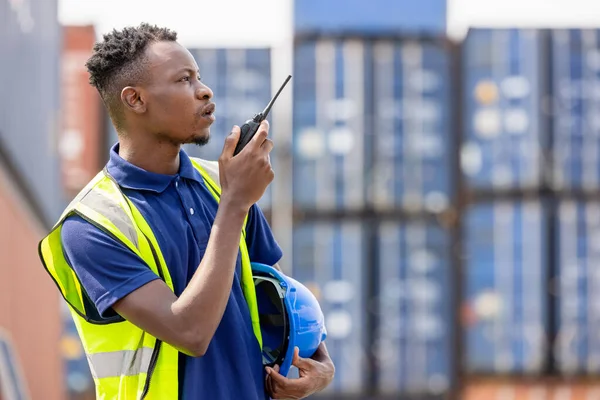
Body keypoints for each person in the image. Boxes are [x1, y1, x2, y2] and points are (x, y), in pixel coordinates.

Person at [38, 23, 334, 399]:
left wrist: (321, 363)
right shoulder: (90, 227)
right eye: (184, 80)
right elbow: (190, 333)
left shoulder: (222, 186)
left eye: (200, 77)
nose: (204, 90)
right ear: (135, 100)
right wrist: (235, 204)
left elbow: (281, 302)